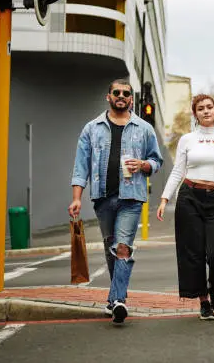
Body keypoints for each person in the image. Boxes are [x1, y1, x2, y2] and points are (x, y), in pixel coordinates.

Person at [68, 79, 163, 325]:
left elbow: (156, 160)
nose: (121, 96)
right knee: (112, 248)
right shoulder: (92, 128)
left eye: (126, 93)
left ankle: (119, 300)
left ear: (131, 99)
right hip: (102, 198)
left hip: (131, 198)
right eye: (116, 92)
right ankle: (114, 299)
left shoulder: (144, 128)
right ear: (108, 96)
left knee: (122, 247)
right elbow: (81, 167)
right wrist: (76, 198)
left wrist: (144, 165)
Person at [156, 94, 214, 321]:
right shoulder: (187, 140)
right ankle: (204, 301)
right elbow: (177, 171)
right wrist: (164, 198)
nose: (205, 111)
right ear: (195, 113)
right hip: (189, 198)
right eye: (200, 108)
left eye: (209, 107)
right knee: (193, 253)